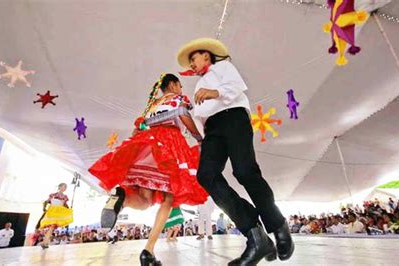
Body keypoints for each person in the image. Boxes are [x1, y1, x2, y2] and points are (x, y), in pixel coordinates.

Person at [176, 37, 294, 264]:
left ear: (206, 55)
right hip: (212, 130)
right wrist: (200, 137)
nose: (191, 64)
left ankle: (278, 224)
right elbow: (202, 114)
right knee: (206, 175)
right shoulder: (199, 85)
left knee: (244, 171)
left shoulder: (223, 67)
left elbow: (237, 87)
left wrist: (215, 93)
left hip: (233, 118)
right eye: (189, 61)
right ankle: (254, 234)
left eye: (194, 58)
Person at [89, 73, 208, 265]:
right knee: (168, 198)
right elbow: (184, 115)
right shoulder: (176, 99)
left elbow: (140, 128)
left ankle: (123, 198)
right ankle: (148, 250)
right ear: (173, 85)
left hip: (148, 147)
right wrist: (199, 137)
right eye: (180, 86)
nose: (181, 89)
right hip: (169, 145)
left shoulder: (152, 105)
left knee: (145, 199)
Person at [38, 183, 73, 249]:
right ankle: (45, 242)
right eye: (63, 186)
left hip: (59, 213)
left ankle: (45, 242)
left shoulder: (65, 197)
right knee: (51, 227)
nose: (64, 188)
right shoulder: (53, 195)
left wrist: (69, 210)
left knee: (52, 228)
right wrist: (44, 208)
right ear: (59, 187)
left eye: (65, 187)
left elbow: (65, 205)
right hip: (52, 212)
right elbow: (46, 201)